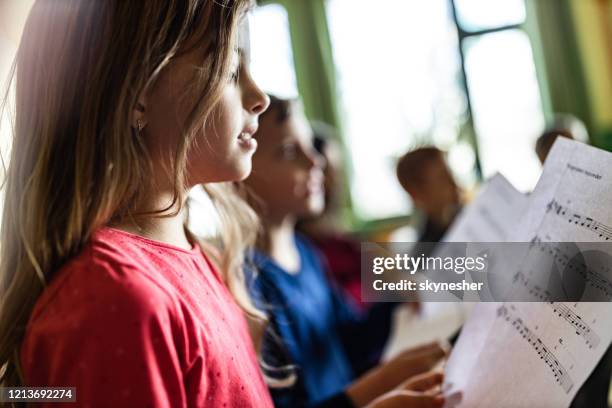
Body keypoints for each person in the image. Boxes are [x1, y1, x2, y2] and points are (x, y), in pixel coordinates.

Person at [0, 1, 275, 406]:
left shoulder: (193, 255)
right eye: (231, 70)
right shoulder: (115, 299)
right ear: (138, 94)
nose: (260, 97)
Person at [244, 96, 447, 408]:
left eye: (310, 146)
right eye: (288, 152)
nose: (316, 163)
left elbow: (351, 342)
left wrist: (394, 295)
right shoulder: (249, 285)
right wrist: (385, 380)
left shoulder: (307, 253)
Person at [396, 147, 462, 243]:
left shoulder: (465, 216)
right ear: (417, 194)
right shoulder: (427, 252)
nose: (454, 185)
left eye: (451, 174)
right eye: (442, 178)